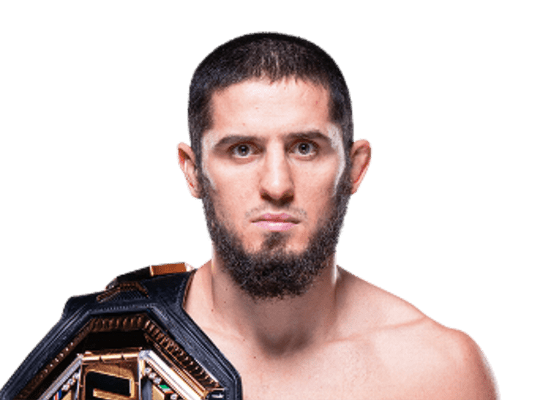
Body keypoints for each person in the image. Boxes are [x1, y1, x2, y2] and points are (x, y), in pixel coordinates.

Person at [174, 31, 500, 399]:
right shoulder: (124, 345)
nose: (277, 186)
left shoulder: (437, 372)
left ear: (354, 169)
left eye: (305, 148)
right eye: (242, 150)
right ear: (192, 171)